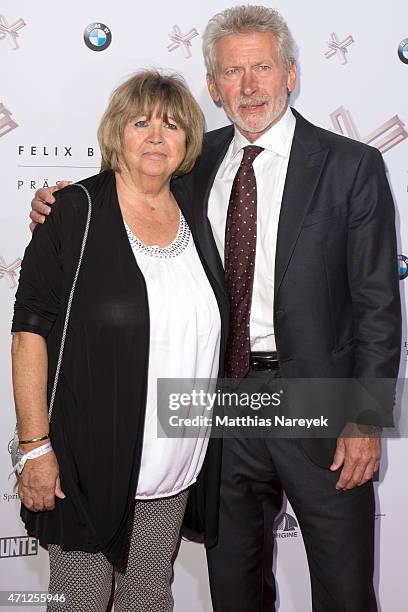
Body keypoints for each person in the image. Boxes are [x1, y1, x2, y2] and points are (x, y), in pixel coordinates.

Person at [30, 5, 401, 612]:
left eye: (261, 67)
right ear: (212, 86)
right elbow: (123, 195)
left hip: (320, 401)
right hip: (220, 399)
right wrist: (55, 206)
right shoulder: (193, 161)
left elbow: (379, 302)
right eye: (232, 72)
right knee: (233, 586)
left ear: (291, 73)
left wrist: (364, 418)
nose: (249, 86)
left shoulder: (350, 165)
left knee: (343, 586)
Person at [12, 70, 228, 612]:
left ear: (188, 143)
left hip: (174, 465)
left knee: (148, 597)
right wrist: (35, 450)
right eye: (142, 123)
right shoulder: (74, 212)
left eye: (172, 125)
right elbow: (29, 336)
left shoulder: (196, 214)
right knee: (80, 602)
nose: (157, 136)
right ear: (116, 132)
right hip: (88, 459)